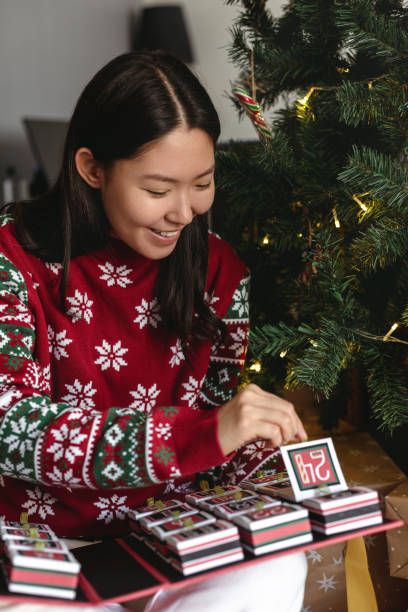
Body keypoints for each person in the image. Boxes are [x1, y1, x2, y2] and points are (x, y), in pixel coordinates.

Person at [0, 51, 308, 611]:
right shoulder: (12, 258)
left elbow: (215, 420)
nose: (184, 212)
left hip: (175, 536)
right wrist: (202, 434)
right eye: (158, 189)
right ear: (92, 169)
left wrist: (268, 457)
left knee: (279, 563)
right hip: (39, 548)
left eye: (202, 183)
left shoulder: (219, 270)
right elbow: (11, 428)